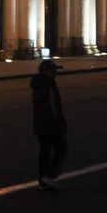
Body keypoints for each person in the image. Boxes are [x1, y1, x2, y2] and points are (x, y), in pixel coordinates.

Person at [30, 59, 68, 191]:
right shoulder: (48, 85)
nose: (55, 73)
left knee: (45, 150)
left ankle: (43, 178)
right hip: (49, 123)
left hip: (41, 123)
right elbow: (54, 106)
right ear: (45, 71)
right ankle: (48, 177)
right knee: (62, 148)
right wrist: (61, 122)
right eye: (53, 70)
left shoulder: (38, 83)